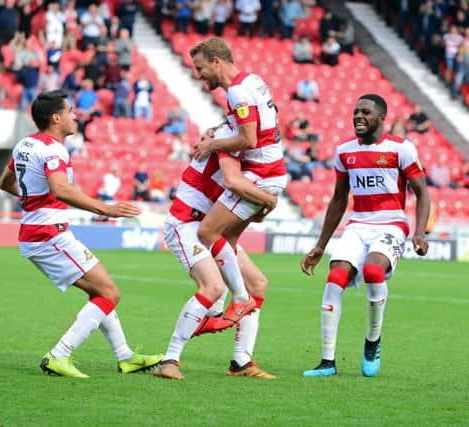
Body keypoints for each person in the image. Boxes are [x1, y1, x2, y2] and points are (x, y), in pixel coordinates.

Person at [0, 90, 162, 378]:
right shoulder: (53, 149)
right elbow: (60, 189)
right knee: (110, 293)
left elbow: (6, 182)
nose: (76, 116)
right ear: (56, 118)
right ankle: (59, 355)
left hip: (38, 231)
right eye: (71, 111)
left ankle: (125, 356)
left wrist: (32, 199)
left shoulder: (25, 144)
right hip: (49, 234)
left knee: (100, 292)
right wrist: (105, 209)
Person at [300, 94, 430, 378]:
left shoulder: (401, 149)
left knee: (373, 270)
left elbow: (422, 193)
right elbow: (338, 199)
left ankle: (373, 341)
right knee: (335, 278)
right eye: (356, 111)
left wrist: (419, 232)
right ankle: (327, 361)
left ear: (382, 118)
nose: (358, 116)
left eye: (366, 113)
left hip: (392, 223)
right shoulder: (344, 151)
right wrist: (320, 245)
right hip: (357, 225)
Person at [154, 124, 278, 380]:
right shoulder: (228, 139)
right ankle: (169, 359)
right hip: (186, 222)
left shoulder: (239, 145)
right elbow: (232, 182)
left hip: (210, 225)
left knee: (258, 283)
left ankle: (241, 362)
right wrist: (268, 201)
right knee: (213, 287)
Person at [189, 38, 287, 351]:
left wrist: (212, 144)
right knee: (226, 244)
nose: (199, 76)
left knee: (207, 232)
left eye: (201, 68)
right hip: (270, 173)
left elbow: (247, 137)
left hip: (260, 175)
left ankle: (237, 301)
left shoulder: (236, 91)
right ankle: (239, 352)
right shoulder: (253, 81)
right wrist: (219, 130)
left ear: (217, 61)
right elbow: (253, 123)